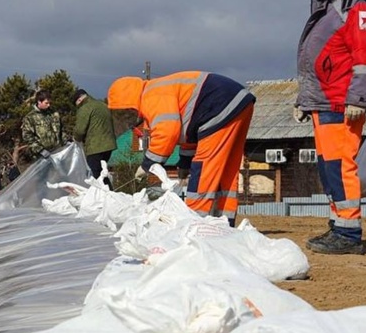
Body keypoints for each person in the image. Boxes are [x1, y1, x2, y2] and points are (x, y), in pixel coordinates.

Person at [294, 0, 366, 255]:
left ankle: (349, 232)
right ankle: (339, 225)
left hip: (342, 104)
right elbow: (315, 60)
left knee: (340, 166)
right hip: (323, 103)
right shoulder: (324, 5)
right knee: (328, 167)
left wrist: (358, 97)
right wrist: (304, 101)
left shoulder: (356, 6)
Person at [106, 71, 255, 224]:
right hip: (238, 101)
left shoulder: (151, 96)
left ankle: (195, 224)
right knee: (227, 170)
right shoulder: (159, 91)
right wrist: (184, 163)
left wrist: (147, 165)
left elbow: (167, 132)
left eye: (125, 111)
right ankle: (225, 223)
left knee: (203, 169)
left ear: (129, 101)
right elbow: (189, 131)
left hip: (218, 105)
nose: (127, 116)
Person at [73, 88, 116, 185]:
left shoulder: (85, 108)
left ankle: (108, 195)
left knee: (98, 174)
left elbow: (80, 130)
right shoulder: (103, 105)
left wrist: (76, 138)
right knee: (102, 171)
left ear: (79, 100)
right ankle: (105, 194)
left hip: (95, 146)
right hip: (109, 145)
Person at [20, 89, 64, 162]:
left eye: (49, 103)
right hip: (41, 157)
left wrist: (66, 142)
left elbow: (61, 130)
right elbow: (27, 137)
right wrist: (40, 150)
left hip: (57, 153)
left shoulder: (54, 114)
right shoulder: (30, 118)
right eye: (46, 103)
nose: (49, 105)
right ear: (39, 102)